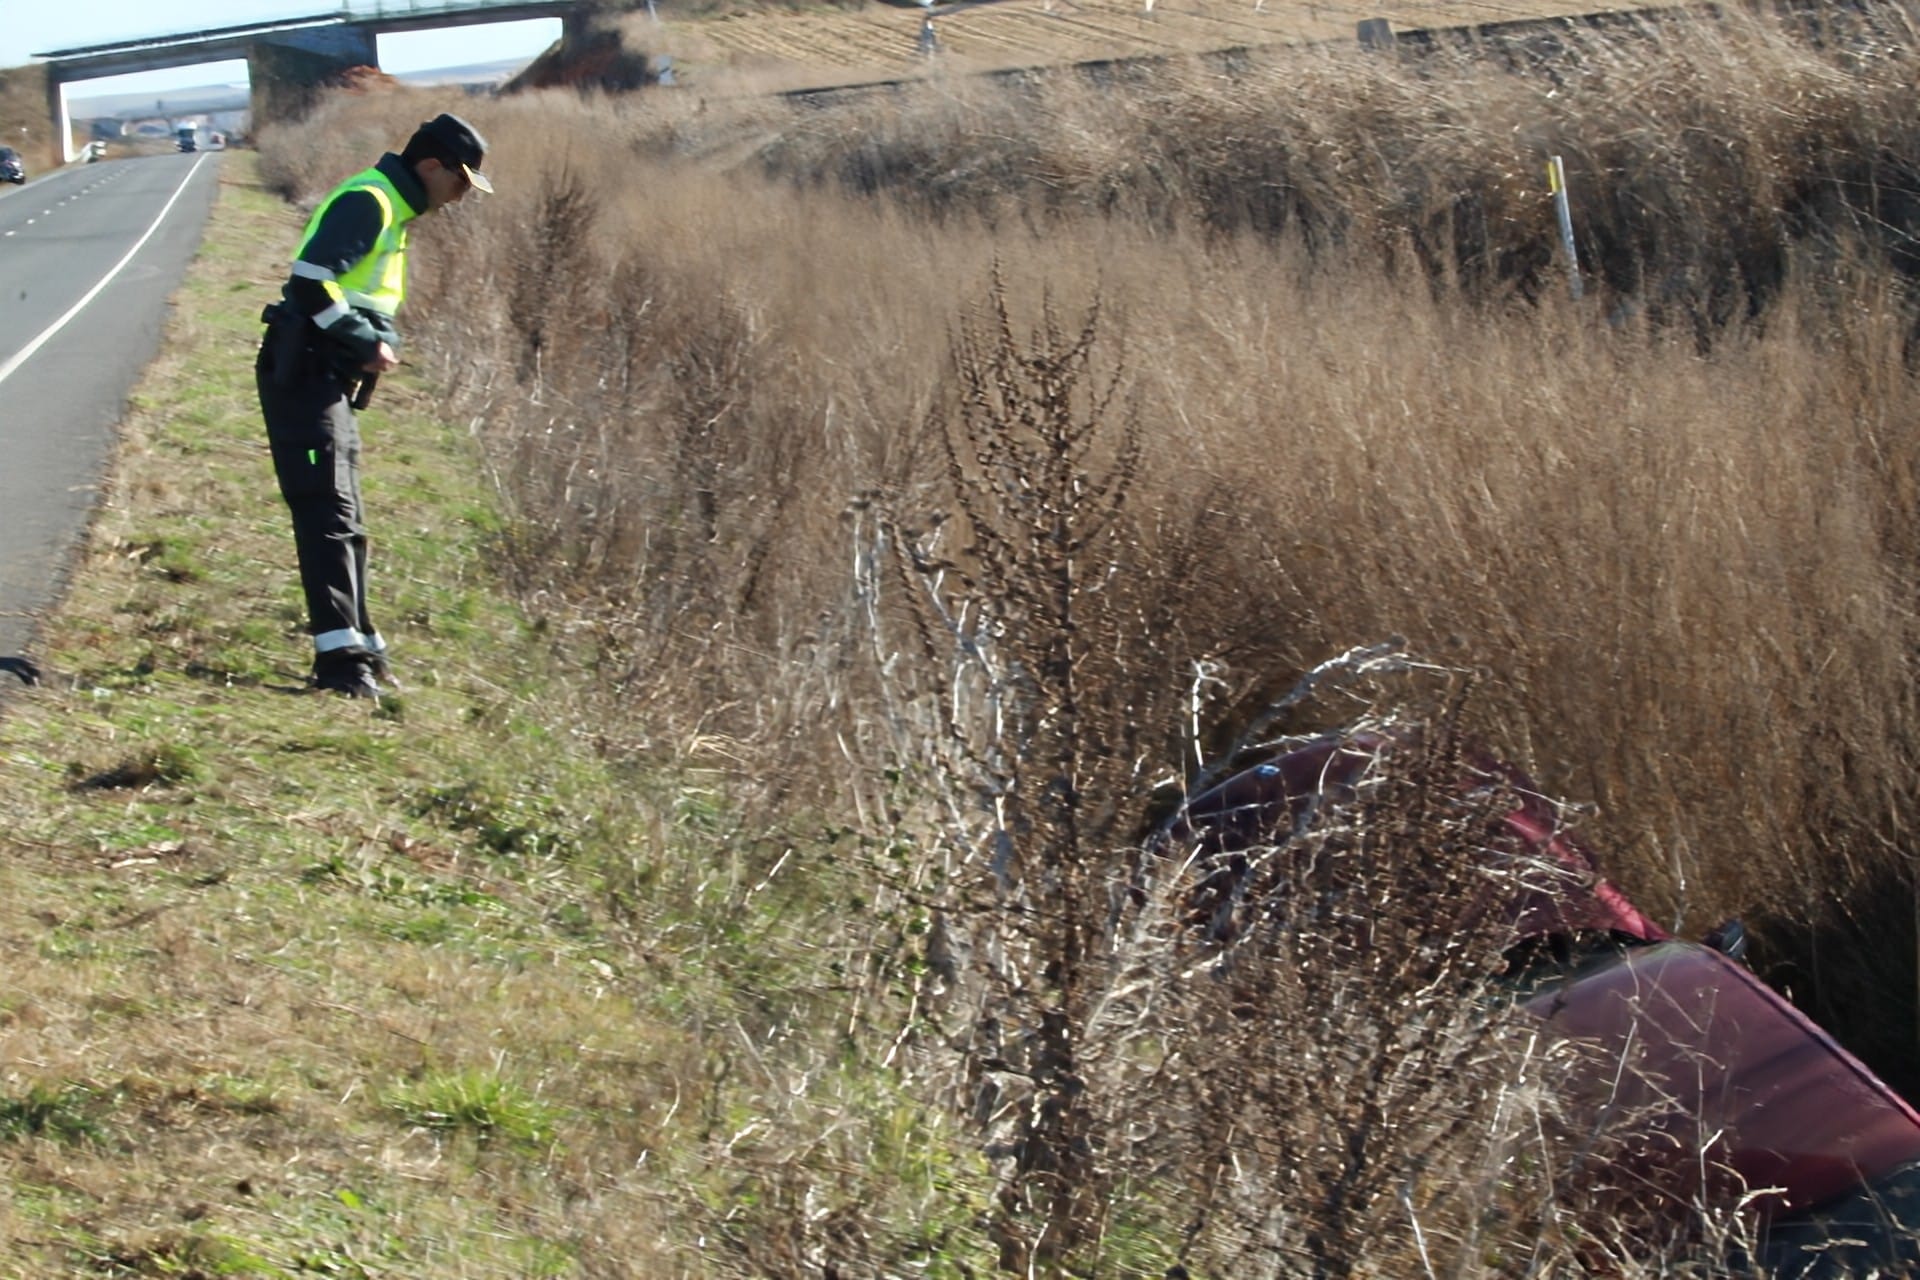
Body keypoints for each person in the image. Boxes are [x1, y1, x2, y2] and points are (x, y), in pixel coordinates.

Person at [256, 113, 492, 699]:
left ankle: (360, 640)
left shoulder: (392, 204)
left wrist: (374, 339)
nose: (461, 197)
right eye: (461, 182)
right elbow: (310, 281)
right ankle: (339, 664)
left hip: (322, 374)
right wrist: (365, 342)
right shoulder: (371, 200)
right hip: (304, 371)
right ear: (430, 166)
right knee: (328, 517)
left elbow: (355, 294)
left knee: (346, 516)